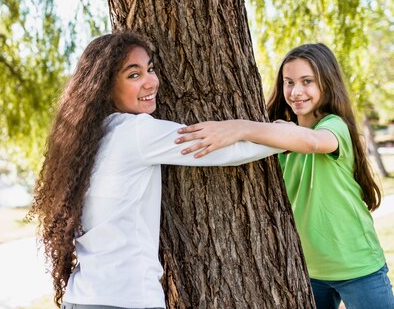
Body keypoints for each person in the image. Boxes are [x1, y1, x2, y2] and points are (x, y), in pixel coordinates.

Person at [29, 33, 282, 309]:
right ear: (105, 86)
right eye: (133, 75)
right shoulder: (136, 131)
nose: (151, 81)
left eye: (150, 69)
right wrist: (285, 134)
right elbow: (230, 151)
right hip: (127, 300)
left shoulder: (83, 141)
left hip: (82, 299)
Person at [175, 43, 394, 309]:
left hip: (359, 267)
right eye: (288, 82)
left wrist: (240, 128)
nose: (296, 91)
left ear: (326, 82)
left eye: (307, 81)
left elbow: (313, 142)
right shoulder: (278, 136)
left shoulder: (334, 126)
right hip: (307, 272)